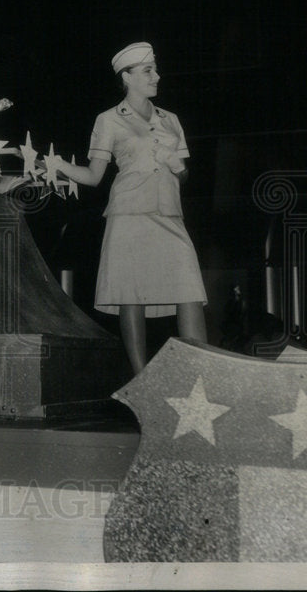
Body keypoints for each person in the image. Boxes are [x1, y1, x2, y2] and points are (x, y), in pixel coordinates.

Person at [54, 41, 207, 373]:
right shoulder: (108, 120)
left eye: (154, 69)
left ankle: (201, 374)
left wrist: (178, 166)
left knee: (190, 288)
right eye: (149, 71)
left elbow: (183, 174)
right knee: (131, 293)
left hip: (168, 213)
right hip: (128, 213)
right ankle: (141, 379)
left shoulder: (171, 120)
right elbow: (94, 177)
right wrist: (57, 165)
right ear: (127, 76)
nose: (157, 76)